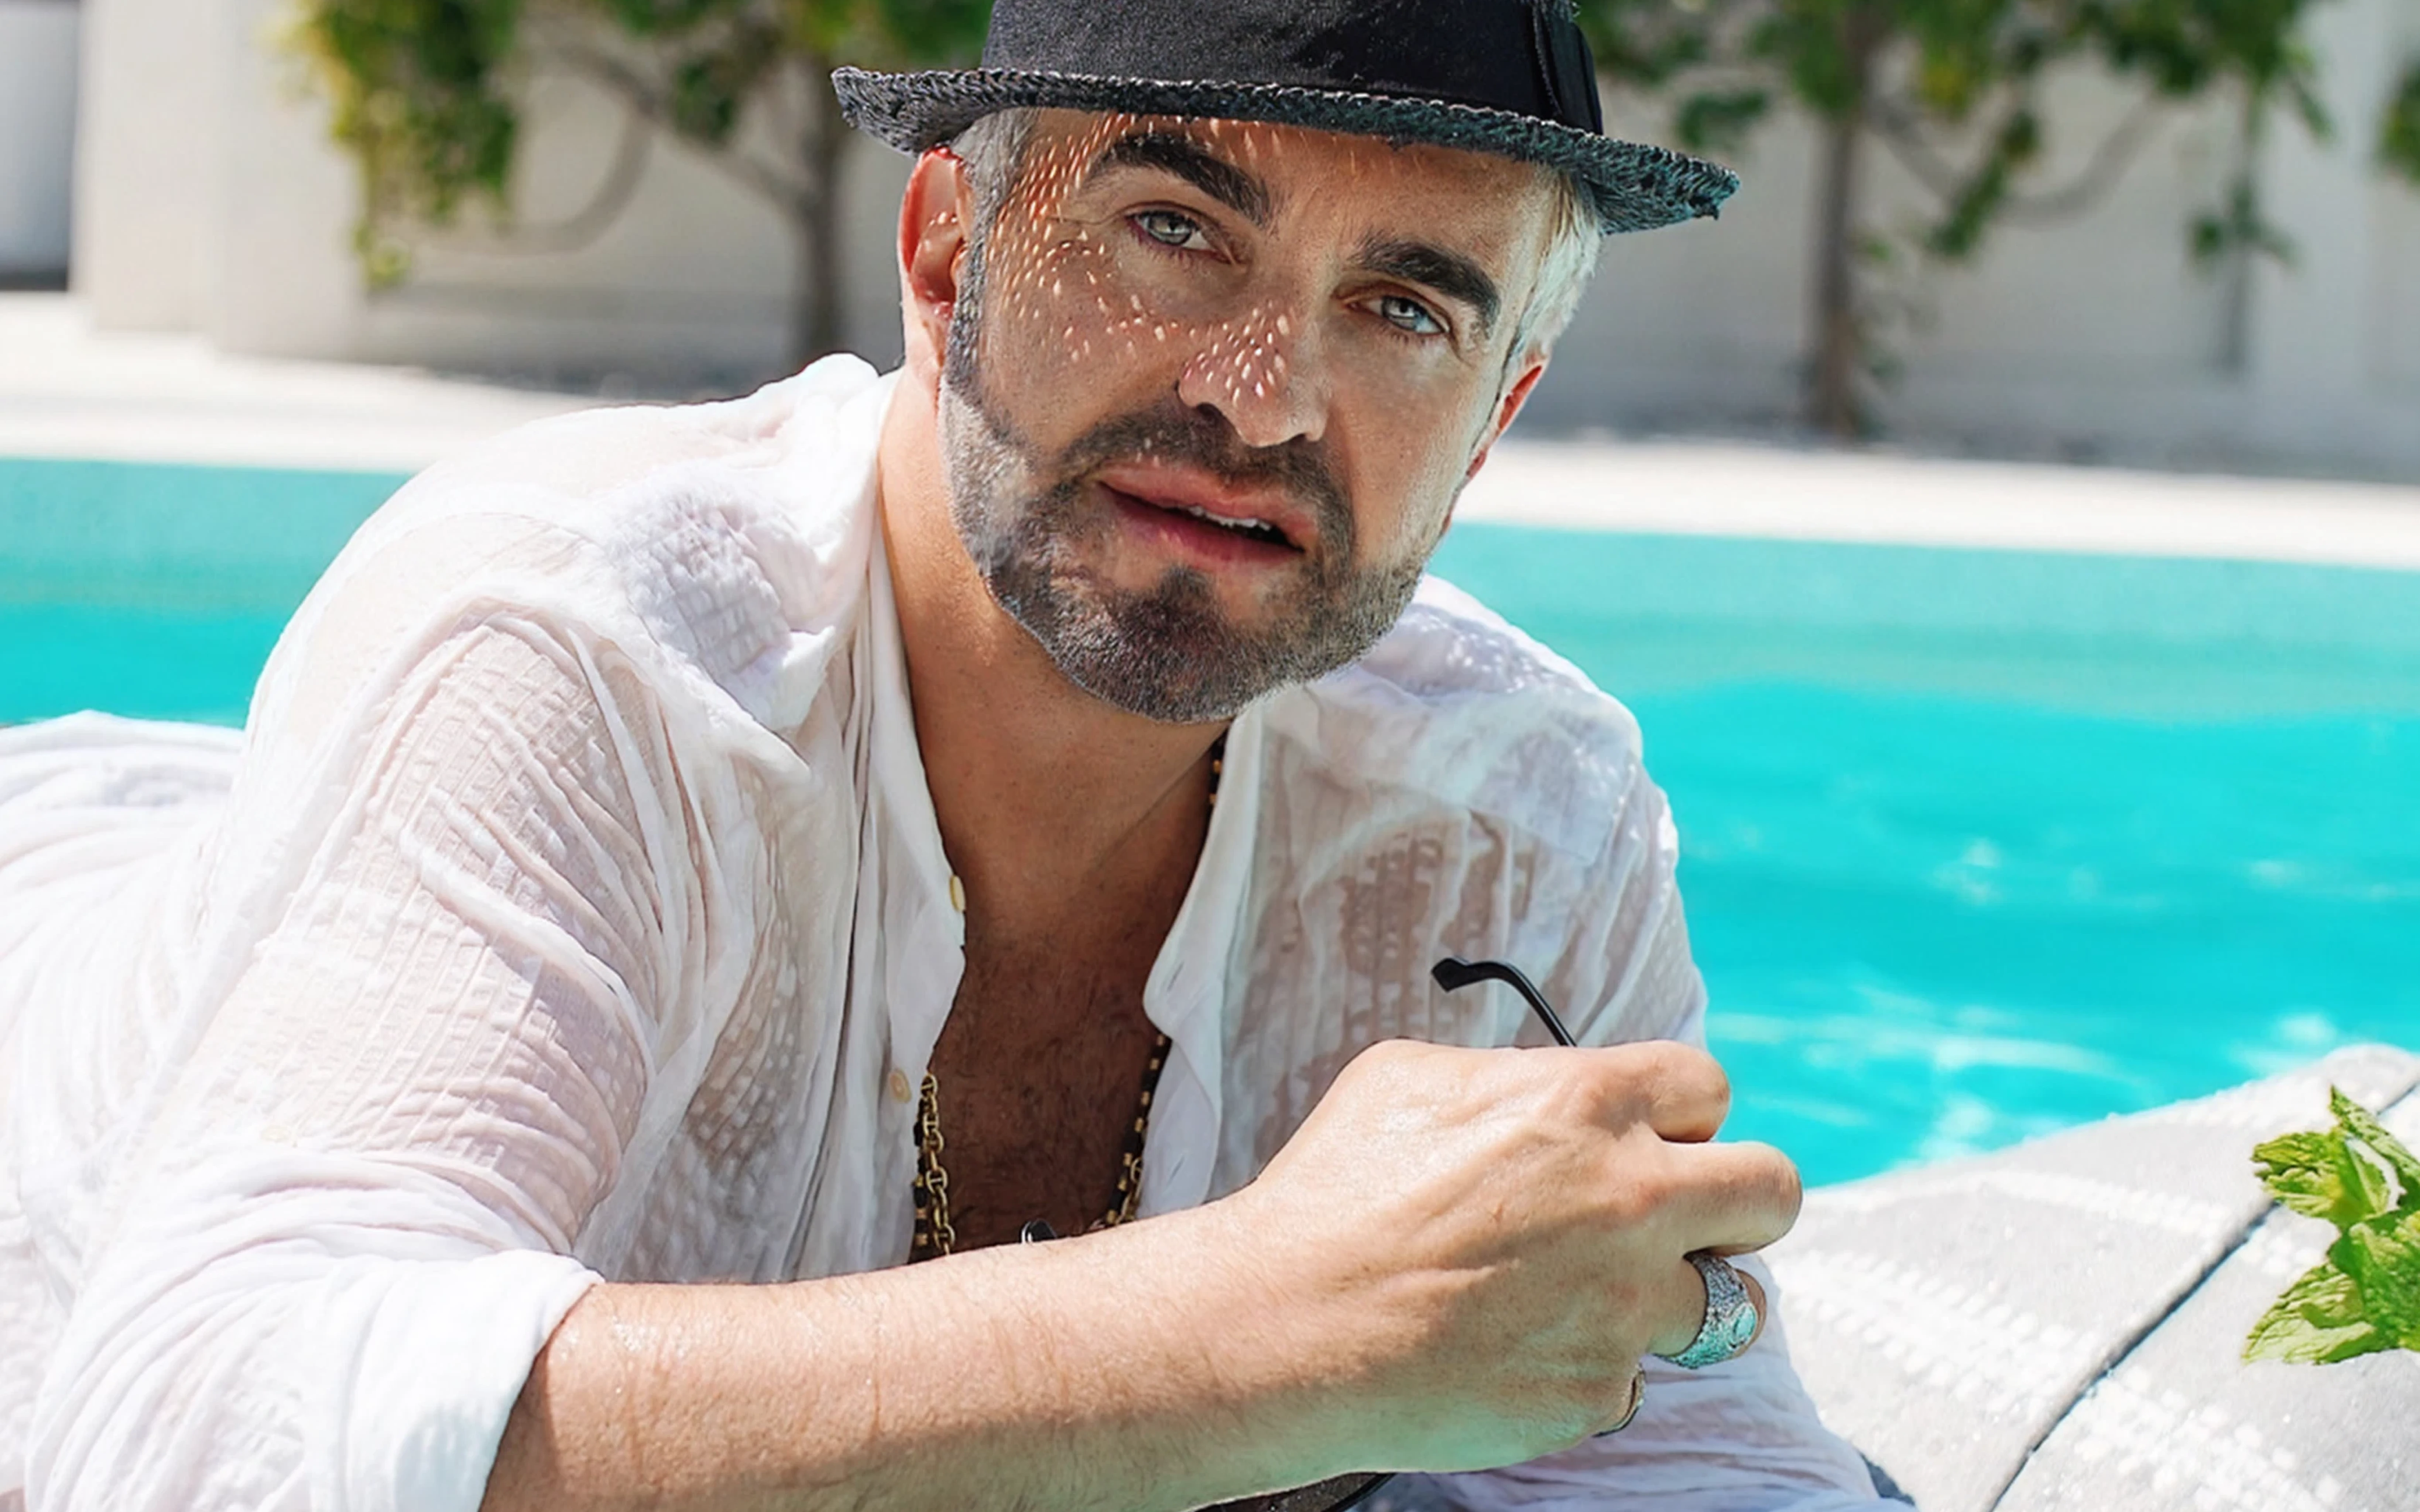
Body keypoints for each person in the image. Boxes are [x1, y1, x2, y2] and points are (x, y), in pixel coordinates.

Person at [0, 1, 1896, 1508]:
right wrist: (1248, 1330)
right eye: (1175, 230)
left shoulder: (1518, 824)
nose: (1263, 396)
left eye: (1403, 310)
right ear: (940, 249)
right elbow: (194, 1435)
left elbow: (1701, 1452)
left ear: (1495, 418)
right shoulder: (582, 660)